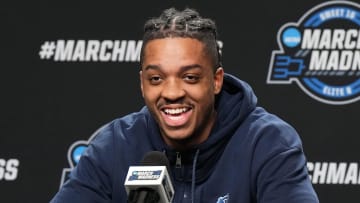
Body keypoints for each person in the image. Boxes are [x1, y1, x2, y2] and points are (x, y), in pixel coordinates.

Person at [50, 7, 319, 203]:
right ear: (143, 84)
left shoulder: (268, 142)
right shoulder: (113, 146)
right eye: (156, 78)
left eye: (189, 77)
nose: (172, 92)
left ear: (216, 81)